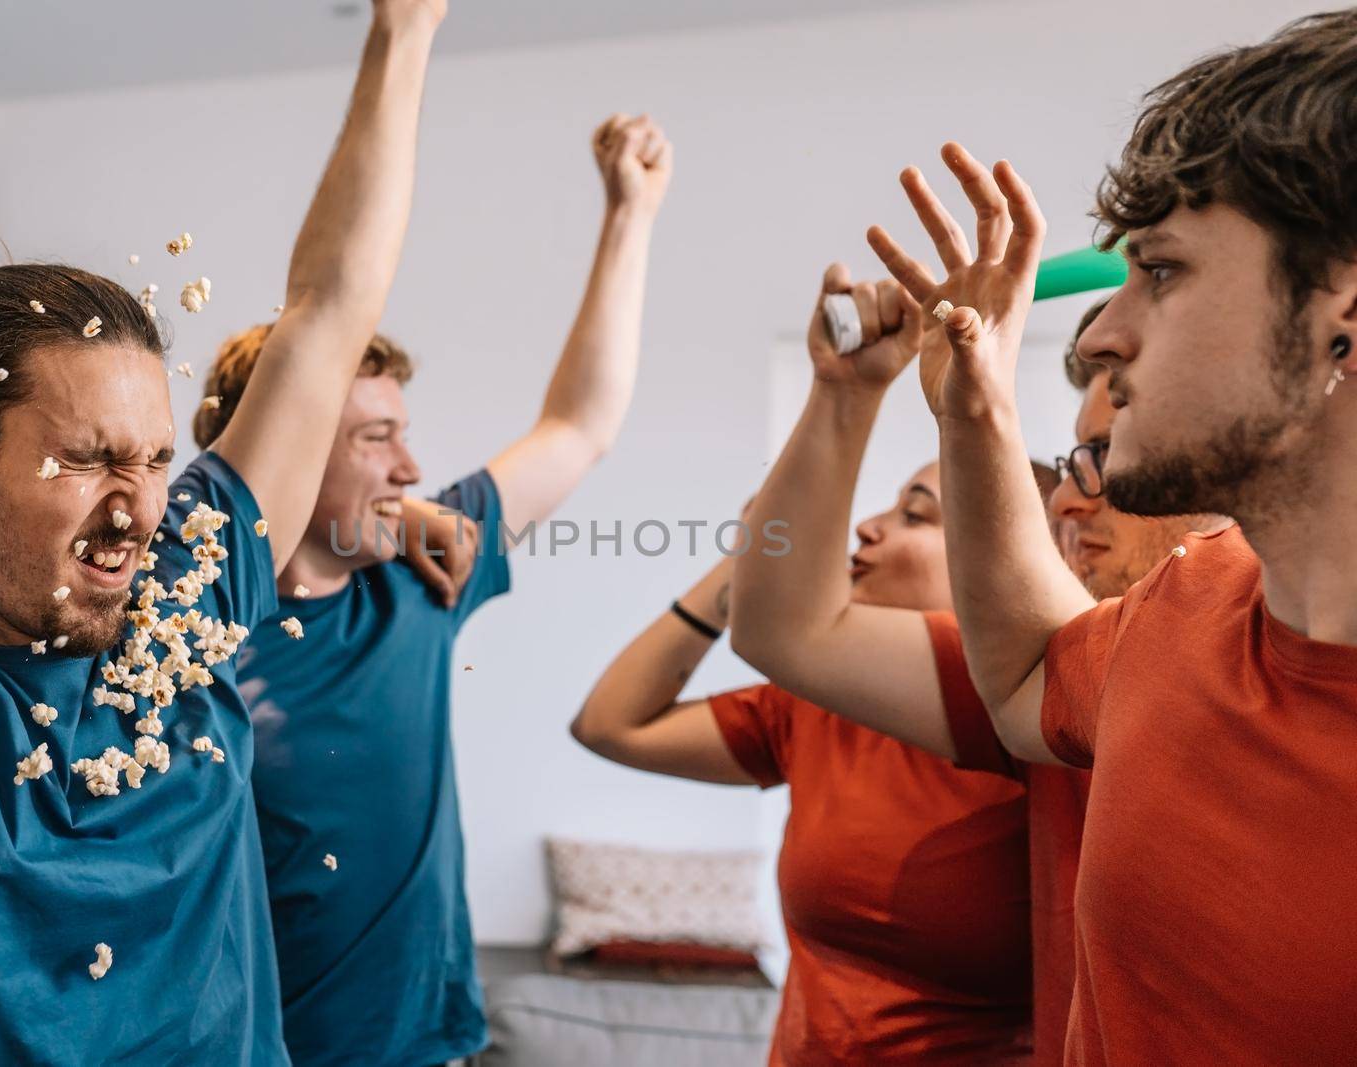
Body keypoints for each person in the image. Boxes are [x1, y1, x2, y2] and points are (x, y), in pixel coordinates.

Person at [0, 0, 443, 1060]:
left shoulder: (186, 603)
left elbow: (330, 307)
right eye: (83, 458)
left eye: (155, 459)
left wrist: (406, 28)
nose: (136, 505)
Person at [864, 11, 1357, 1061]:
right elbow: (1023, 678)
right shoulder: (1185, 605)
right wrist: (973, 409)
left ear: (1339, 314)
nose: (1098, 332)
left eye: (1163, 272)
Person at [189, 113, 673, 1066]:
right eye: (375, 438)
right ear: (279, 449)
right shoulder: (188, 627)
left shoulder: (420, 578)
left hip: (430, 1046)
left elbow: (580, 424)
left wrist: (629, 215)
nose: (410, 465)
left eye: (405, 432)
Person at [732, 281, 1218, 1063]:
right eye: (1073, 460)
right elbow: (783, 628)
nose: (1066, 498)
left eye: (1103, 456)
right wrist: (848, 392)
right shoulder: (1072, 664)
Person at [569, 269, 1045, 1063]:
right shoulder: (820, 705)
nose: (868, 529)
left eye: (915, 514)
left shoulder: (1039, 712)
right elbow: (611, 724)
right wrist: (749, 562)